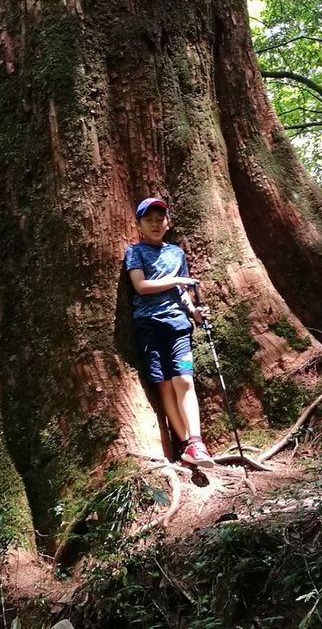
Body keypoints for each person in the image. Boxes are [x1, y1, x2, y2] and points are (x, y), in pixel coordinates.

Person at [124, 197, 212, 466]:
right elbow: (140, 286)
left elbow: (182, 292)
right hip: (149, 327)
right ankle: (186, 445)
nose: (155, 224)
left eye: (160, 219)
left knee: (183, 379)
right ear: (139, 225)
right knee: (164, 385)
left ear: (167, 223)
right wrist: (176, 279)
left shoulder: (176, 253)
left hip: (178, 327)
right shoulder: (135, 252)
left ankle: (196, 443)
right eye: (148, 220)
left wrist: (194, 313)